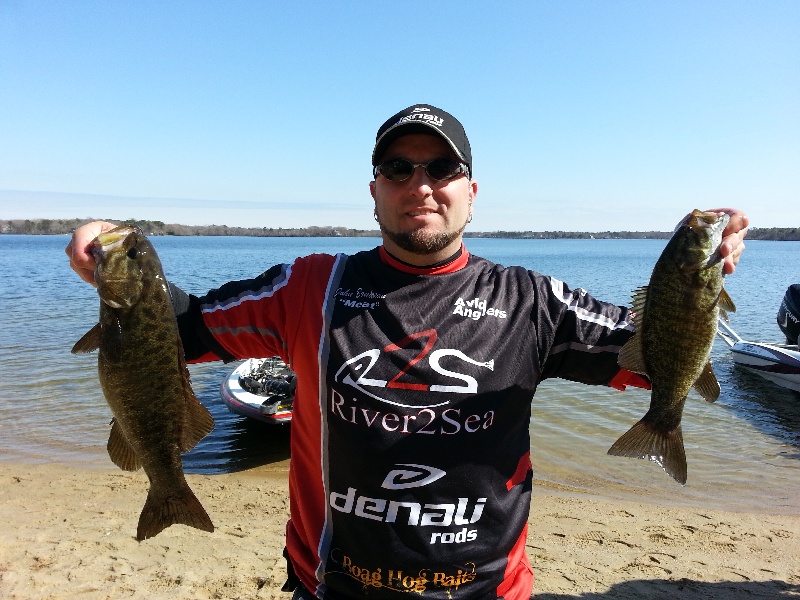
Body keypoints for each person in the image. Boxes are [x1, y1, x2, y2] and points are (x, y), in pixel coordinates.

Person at [66, 104, 749, 600]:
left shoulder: (533, 299)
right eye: (398, 168)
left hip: (485, 591)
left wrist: (693, 286)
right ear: (374, 192)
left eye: (441, 167)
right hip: (331, 584)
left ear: (470, 192)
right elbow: (175, 330)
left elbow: (652, 352)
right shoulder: (309, 286)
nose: (420, 184)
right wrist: (105, 256)